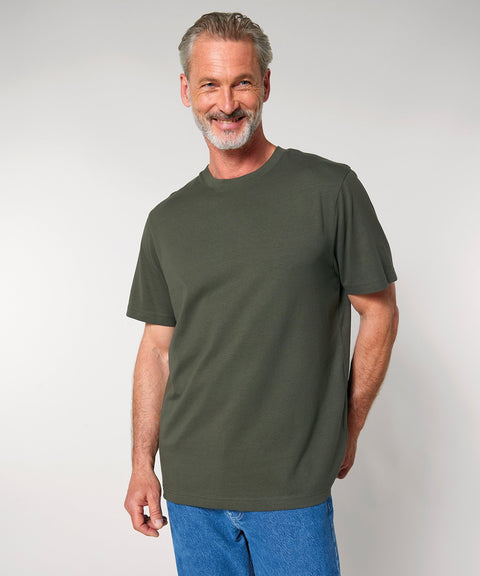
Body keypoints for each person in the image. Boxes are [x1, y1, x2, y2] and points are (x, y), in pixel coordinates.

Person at [124, 11, 399, 576]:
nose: (227, 103)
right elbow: (156, 349)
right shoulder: (167, 220)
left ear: (266, 84)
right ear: (186, 91)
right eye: (210, 84)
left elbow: (380, 312)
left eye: (242, 82)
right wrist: (141, 464)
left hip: (291, 488)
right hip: (192, 490)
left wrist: (348, 426)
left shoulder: (330, 189)